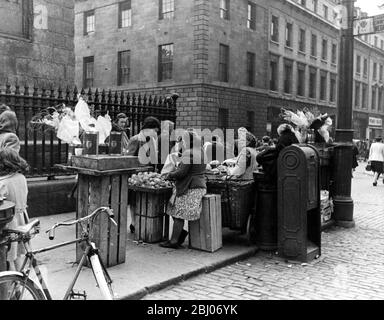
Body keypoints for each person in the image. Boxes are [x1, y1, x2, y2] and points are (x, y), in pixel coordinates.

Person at [160, 131, 207, 249]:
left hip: (188, 187)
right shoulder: (201, 151)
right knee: (177, 212)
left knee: (177, 213)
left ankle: (174, 241)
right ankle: (180, 235)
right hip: (199, 185)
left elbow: (181, 172)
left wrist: (169, 175)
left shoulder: (189, 153)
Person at [0, 148, 29, 271]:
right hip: (22, 216)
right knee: (18, 254)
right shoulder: (21, 177)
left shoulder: (3, 183)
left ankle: (13, 283)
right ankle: (20, 279)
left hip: (9, 221)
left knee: (9, 256)